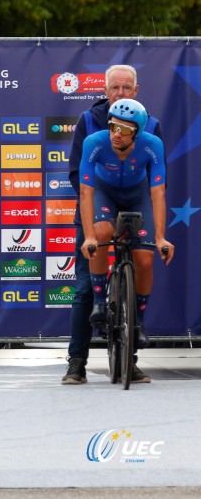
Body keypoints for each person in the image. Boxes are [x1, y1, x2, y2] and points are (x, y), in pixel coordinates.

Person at [63, 65, 163, 385]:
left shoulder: (151, 125)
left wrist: (150, 229)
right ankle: (76, 363)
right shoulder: (88, 121)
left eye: (127, 87)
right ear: (106, 91)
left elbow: (154, 181)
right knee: (83, 287)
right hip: (97, 203)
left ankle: (129, 361)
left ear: (136, 90)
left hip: (135, 203)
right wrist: (94, 227)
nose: (121, 92)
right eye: (115, 88)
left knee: (141, 263)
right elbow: (79, 177)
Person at [76, 98, 175, 384]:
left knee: (145, 258)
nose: (115, 133)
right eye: (112, 126)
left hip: (137, 194)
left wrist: (160, 237)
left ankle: (138, 322)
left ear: (137, 131)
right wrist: (90, 236)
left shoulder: (151, 143)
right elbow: (85, 192)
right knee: (102, 235)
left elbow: (158, 192)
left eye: (123, 128)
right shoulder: (95, 142)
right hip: (104, 193)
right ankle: (98, 302)